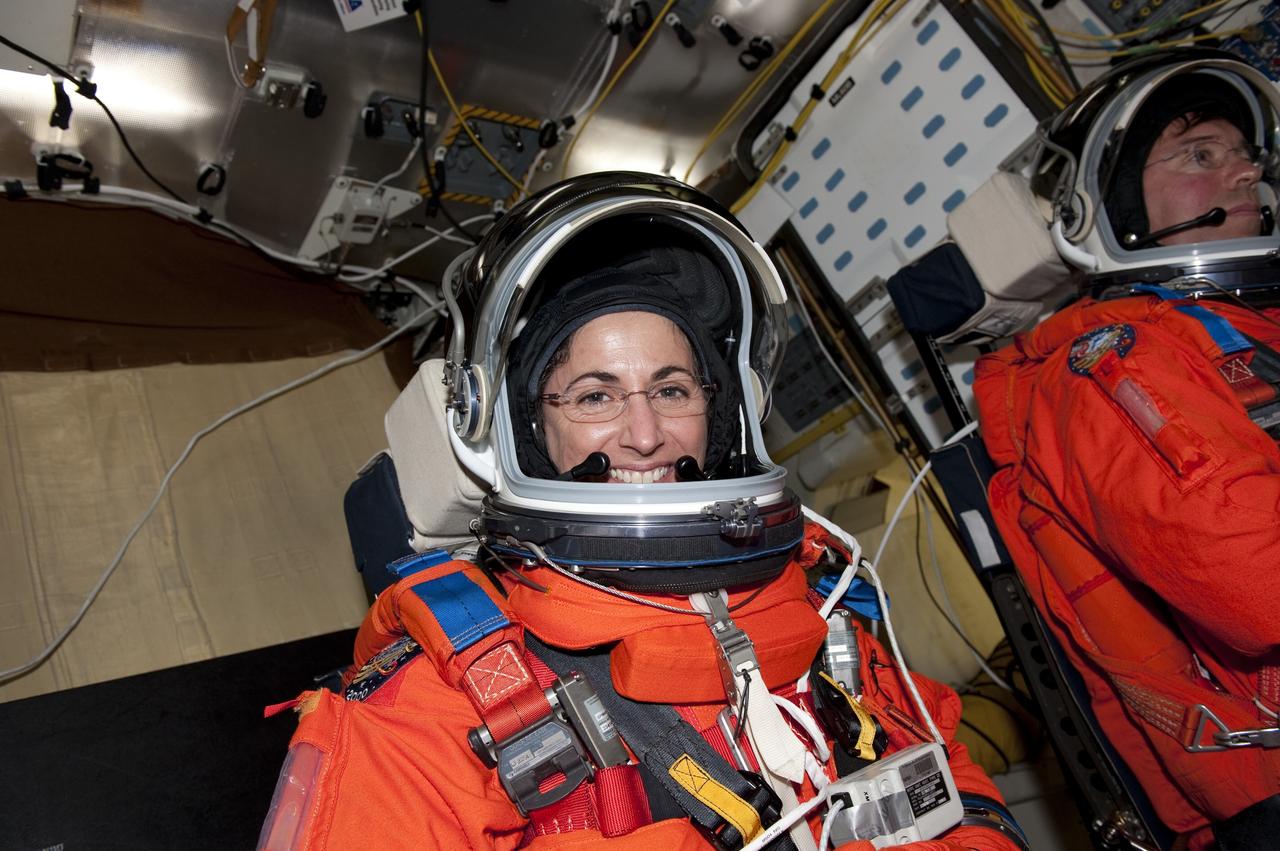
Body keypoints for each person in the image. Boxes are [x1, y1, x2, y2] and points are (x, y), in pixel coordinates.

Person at [257, 173, 1024, 850]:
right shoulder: (441, 705)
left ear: (724, 412)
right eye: (596, 395)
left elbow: (958, 784)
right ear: (527, 428)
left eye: (671, 389)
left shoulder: (827, 612)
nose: (647, 432)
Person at [973, 49, 1280, 849]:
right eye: (1201, 156)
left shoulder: (1226, 332)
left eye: (1245, 157)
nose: (1244, 175)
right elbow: (1261, 585)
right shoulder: (1111, 367)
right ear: (1113, 205)